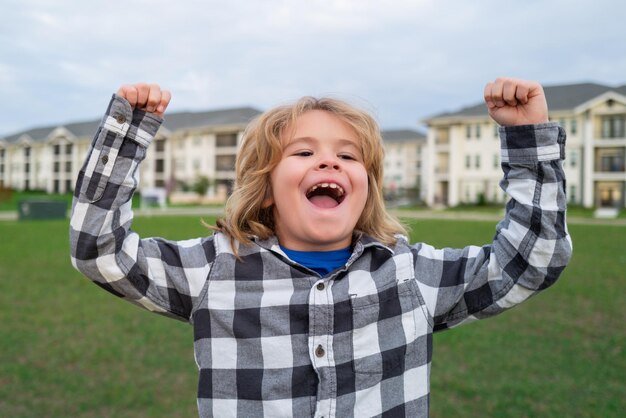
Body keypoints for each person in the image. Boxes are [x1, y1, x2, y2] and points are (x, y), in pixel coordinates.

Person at [70, 78, 572, 417]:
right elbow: (99, 249)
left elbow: (532, 258)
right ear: (265, 188)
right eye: (304, 152)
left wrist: (528, 138)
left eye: (348, 156)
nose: (329, 163)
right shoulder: (215, 269)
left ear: (367, 187)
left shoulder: (407, 274)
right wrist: (126, 135)